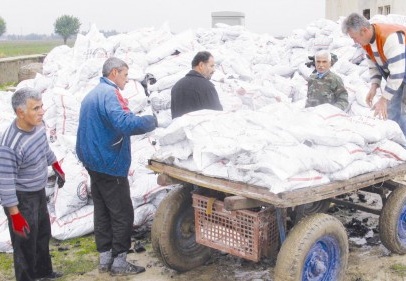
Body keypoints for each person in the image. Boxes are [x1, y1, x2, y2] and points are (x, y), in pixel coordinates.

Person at [75, 57, 157, 276]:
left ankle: (105, 258)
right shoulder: (110, 95)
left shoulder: (92, 95)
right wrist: (152, 121)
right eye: (125, 74)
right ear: (114, 73)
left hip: (93, 161)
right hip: (109, 163)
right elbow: (125, 123)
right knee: (122, 213)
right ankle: (119, 262)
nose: (127, 80)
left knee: (102, 210)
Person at [0, 87, 65, 281]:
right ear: (20, 112)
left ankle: (44, 273)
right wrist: (16, 215)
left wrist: (55, 164)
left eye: (42, 106)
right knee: (25, 244)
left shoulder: (38, 126)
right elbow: (5, 184)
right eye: (36, 108)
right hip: (21, 199)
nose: (42, 111)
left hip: (37, 192)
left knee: (43, 234)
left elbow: (44, 148)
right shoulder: (9, 145)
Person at [342, 12, 406, 136]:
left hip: (399, 74)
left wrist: (383, 99)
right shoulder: (367, 43)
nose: (355, 42)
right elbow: (374, 65)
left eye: (354, 37)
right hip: (396, 77)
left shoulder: (390, 38)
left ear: (364, 30)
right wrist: (374, 86)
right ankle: (401, 144)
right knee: (392, 112)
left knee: (398, 108)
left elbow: (398, 73)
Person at [171, 51, 223, 118]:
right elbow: (218, 115)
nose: (214, 70)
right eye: (211, 66)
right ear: (201, 65)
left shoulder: (176, 86)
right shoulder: (207, 86)